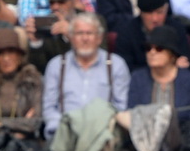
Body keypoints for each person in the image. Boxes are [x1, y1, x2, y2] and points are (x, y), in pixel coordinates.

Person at [42, 9, 129, 139]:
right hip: (64, 135)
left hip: (103, 135)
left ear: (99, 38)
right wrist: (64, 128)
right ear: (71, 38)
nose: (85, 38)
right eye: (79, 33)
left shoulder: (116, 65)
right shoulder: (56, 65)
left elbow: (121, 106)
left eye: (90, 33)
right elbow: (49, 108)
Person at [123, 23, 190, 151]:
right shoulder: (138, 77)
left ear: (172, 54)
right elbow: (133, 113)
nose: (152, 53)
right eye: (148, 49)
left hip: (182, 147)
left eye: (159, 49)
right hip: (143, 148)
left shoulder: (188, 79)